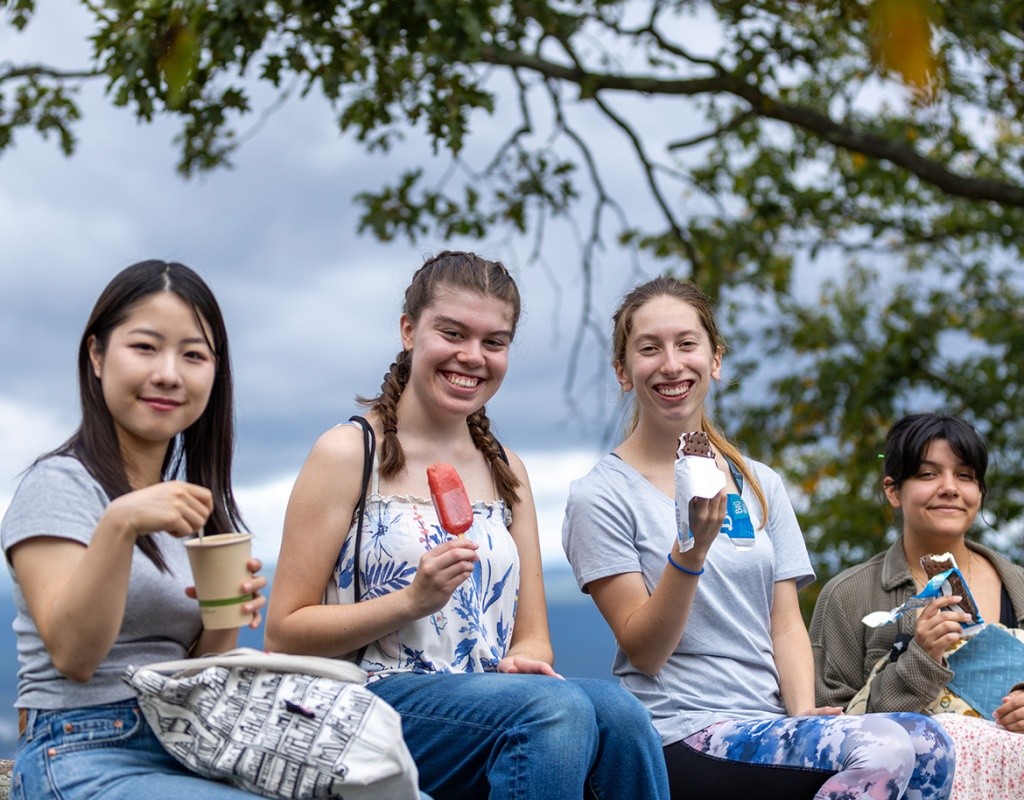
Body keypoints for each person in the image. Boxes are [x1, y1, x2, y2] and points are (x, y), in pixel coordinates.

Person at [265, 250, 669, 800]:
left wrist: (527, 660)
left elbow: (533, 638)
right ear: (409, 331)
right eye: (452, 333)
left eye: (493, 342)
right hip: (366, 705)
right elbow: (284, 633)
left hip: (485, 702)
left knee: (620, 712)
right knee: (555, 712)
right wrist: (410, 602)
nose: (472, 357)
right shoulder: (348, 453)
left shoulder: (507, 470)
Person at [561, 276, 956, 800]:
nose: (671, 364)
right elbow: (645, 650)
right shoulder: (601, 495)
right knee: (884, 748)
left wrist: (801, 713)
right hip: (680, 731)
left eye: (686, 344)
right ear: (623, 371)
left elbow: (785, 622)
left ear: (715, 360)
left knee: (931, 743)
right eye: (649, 349)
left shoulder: (758, 482)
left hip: (769, 724)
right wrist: (689, 554)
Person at [2, 260, 268, 800]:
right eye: (145, 347)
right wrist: (119, 524)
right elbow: (75, 658)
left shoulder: (186, 511)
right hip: (80, 749)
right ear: (97, 355)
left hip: (189, 744)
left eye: (193, 355)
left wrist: (225, 615)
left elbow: (199, 672)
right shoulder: (59, 486)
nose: (169, 373)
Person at [811, 412, 1024, 800]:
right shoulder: (847, 596)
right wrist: (918, 661)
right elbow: (823, 736)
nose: (949, 488)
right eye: (928, 475)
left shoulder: (1019, 586)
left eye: (965, 475)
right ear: (893, 490)